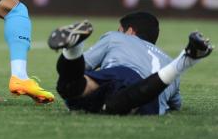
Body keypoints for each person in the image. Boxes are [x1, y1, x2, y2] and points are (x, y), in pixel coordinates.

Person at [47, 12, 213, 115]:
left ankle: (73, 50)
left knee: (69, 87)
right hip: (148, 92)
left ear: (130, 31)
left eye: (121, 29)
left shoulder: (116, 37)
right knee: (113, 105)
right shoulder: (167, 61)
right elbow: (176, 105)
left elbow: (81, 68)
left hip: (119, 74)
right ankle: (184, 61)